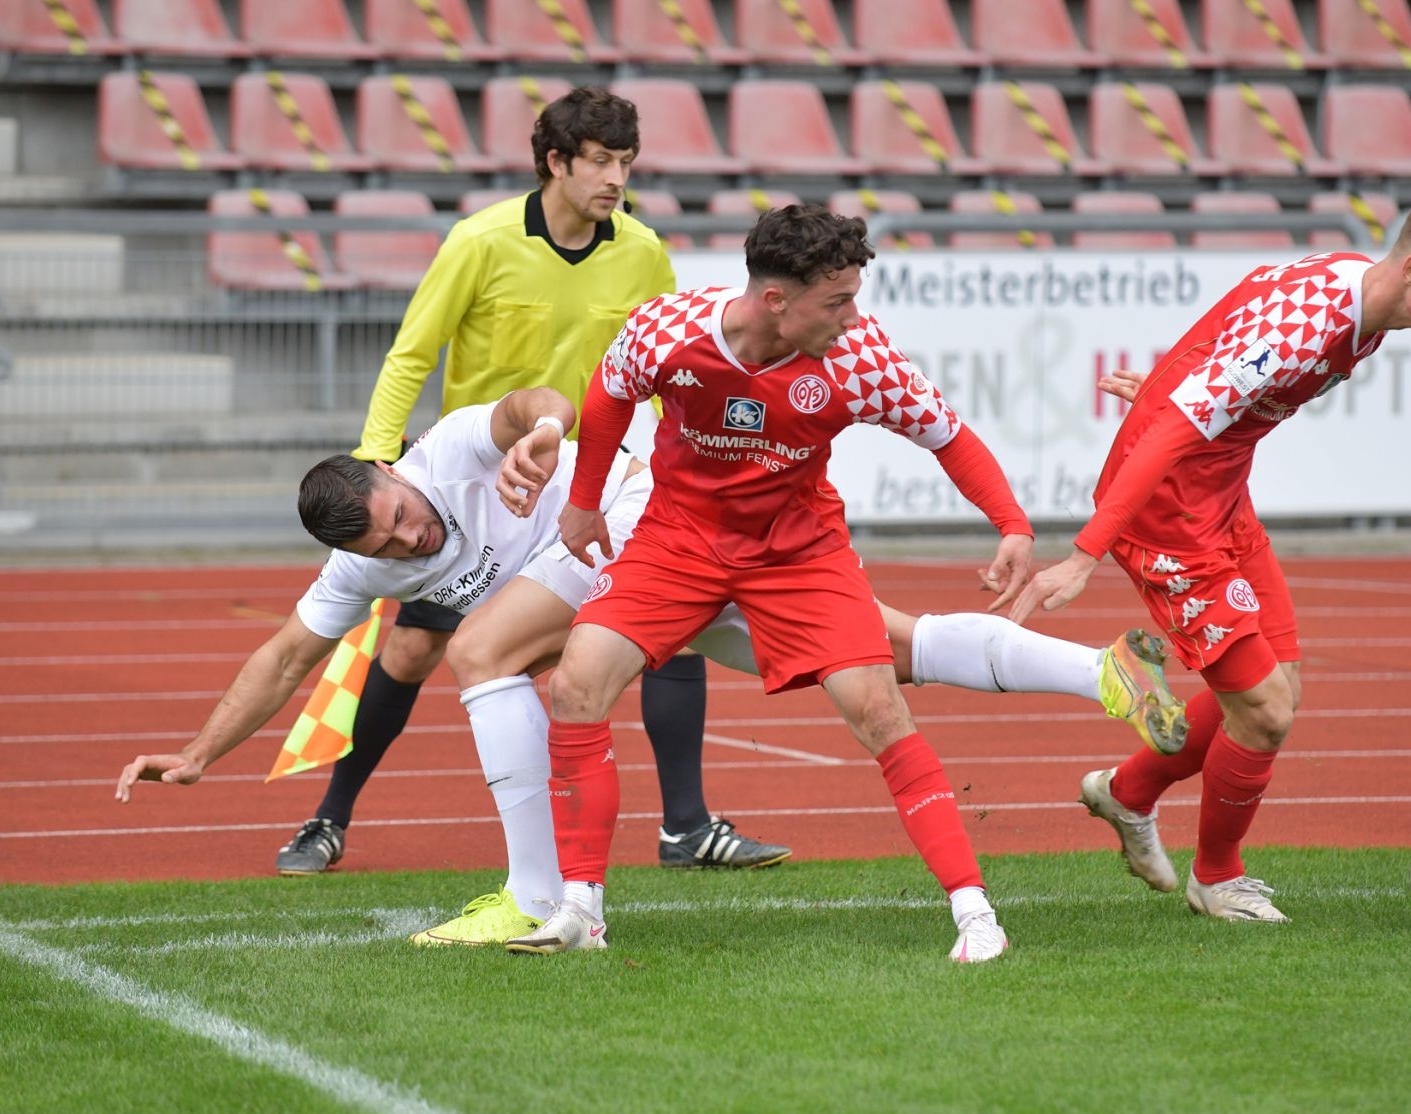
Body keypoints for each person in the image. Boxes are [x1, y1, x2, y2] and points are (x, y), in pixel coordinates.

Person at [116, 386, 1187, 949]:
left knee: (485, 647)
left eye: (402, 517)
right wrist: (202, 753)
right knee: (891, 654)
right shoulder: (362, 559)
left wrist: (542, 435)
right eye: (390, 546)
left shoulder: (450, 448)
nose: (407, 539)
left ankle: (541, 899)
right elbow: (287, 653)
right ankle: (1096, 668)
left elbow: (535, 400)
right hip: (666, 577)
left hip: (643, 533)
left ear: (394, 470)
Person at [507, 204, 1044, 964]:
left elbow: (948, 436)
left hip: (799, 551)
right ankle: (581, 911)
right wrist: (585, 501)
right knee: (575, 686)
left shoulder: (862, 357)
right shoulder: (666, 328)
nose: (852, 316)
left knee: (877, 708)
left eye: (854, 296)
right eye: (836, 301)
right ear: (773, 301)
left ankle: (976, 914)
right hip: (678, 539)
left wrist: (1012, 524)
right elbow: (607, 393)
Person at [276, 86, 787, 879]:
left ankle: (685, 827)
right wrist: (381, 461)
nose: (617, 177)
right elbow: (412, 354)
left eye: (627, 161)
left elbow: (665, 367)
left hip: (597, 487)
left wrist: (680, 457)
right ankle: (328, 817)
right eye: (601, 161)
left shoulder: (644, 249)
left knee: (668, 626)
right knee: (411, 651)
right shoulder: (478, 243)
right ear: (555, 162)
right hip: (482, 494)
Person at [1010, 185, 1411, 923]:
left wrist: (1167, 389)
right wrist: (1086, 551)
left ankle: (1128, 793)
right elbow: (1177, 433)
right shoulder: (1317, 327)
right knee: (1267, 711)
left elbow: (1230, 327)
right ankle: (1216, 876)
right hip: (1168, 514)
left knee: (1277, 689)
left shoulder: (1359, 292)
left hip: (1220, 495)